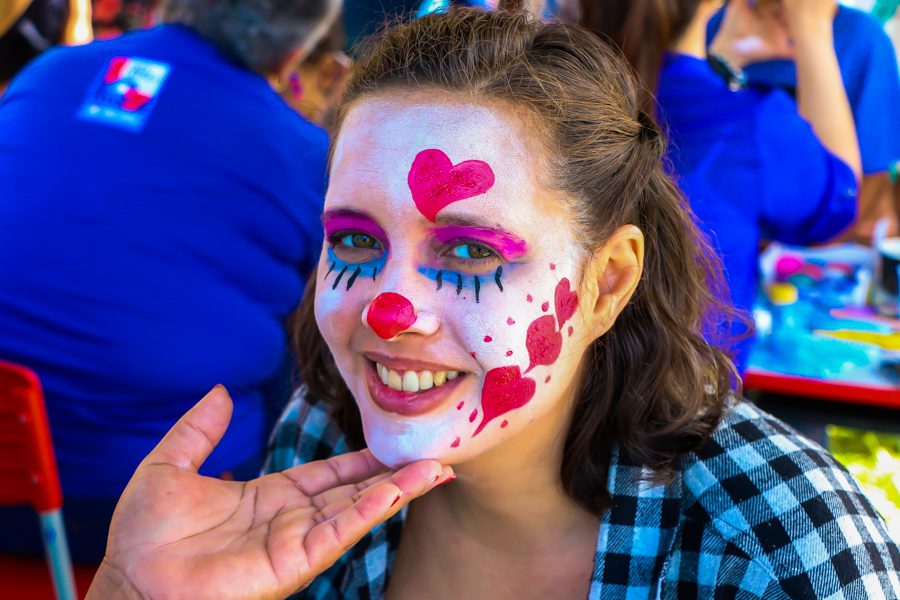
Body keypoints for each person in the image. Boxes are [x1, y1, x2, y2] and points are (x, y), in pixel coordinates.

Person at [87, 9, 899, 599]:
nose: (387, 312)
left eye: (470, 251)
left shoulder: (783, 553)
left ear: (607, 282)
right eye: (358, 243)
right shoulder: (318, 434)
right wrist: (132, 593)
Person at [0, 0, 338, 563]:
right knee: (307, 344)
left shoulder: (50, 70)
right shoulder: (303, 155)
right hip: (130, 512)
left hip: (22, 466)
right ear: (297, 49)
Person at [578, 0, 860, 373]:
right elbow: (839, 201)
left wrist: (724, 55)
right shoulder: (752, 123)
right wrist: (812, 29)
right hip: (689, 409)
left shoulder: (552, 96)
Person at [708, 0, 900, 244]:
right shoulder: (715, 26)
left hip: (813, 251)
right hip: (724, 237)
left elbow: (870, 182)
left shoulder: (862, 39)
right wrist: (725, 51)